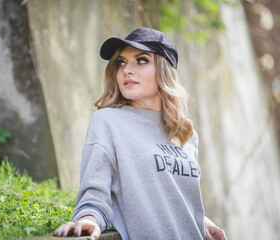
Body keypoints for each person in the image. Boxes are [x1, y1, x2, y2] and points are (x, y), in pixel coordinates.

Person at [54, 27, 227, 240]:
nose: (127, 70)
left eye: (141, 60)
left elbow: (169, 194)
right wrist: (88, 218)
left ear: (164, 70)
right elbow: (95, 193)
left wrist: (200, 219)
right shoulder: (109, 121)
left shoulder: (186, 134)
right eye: (121, 63)